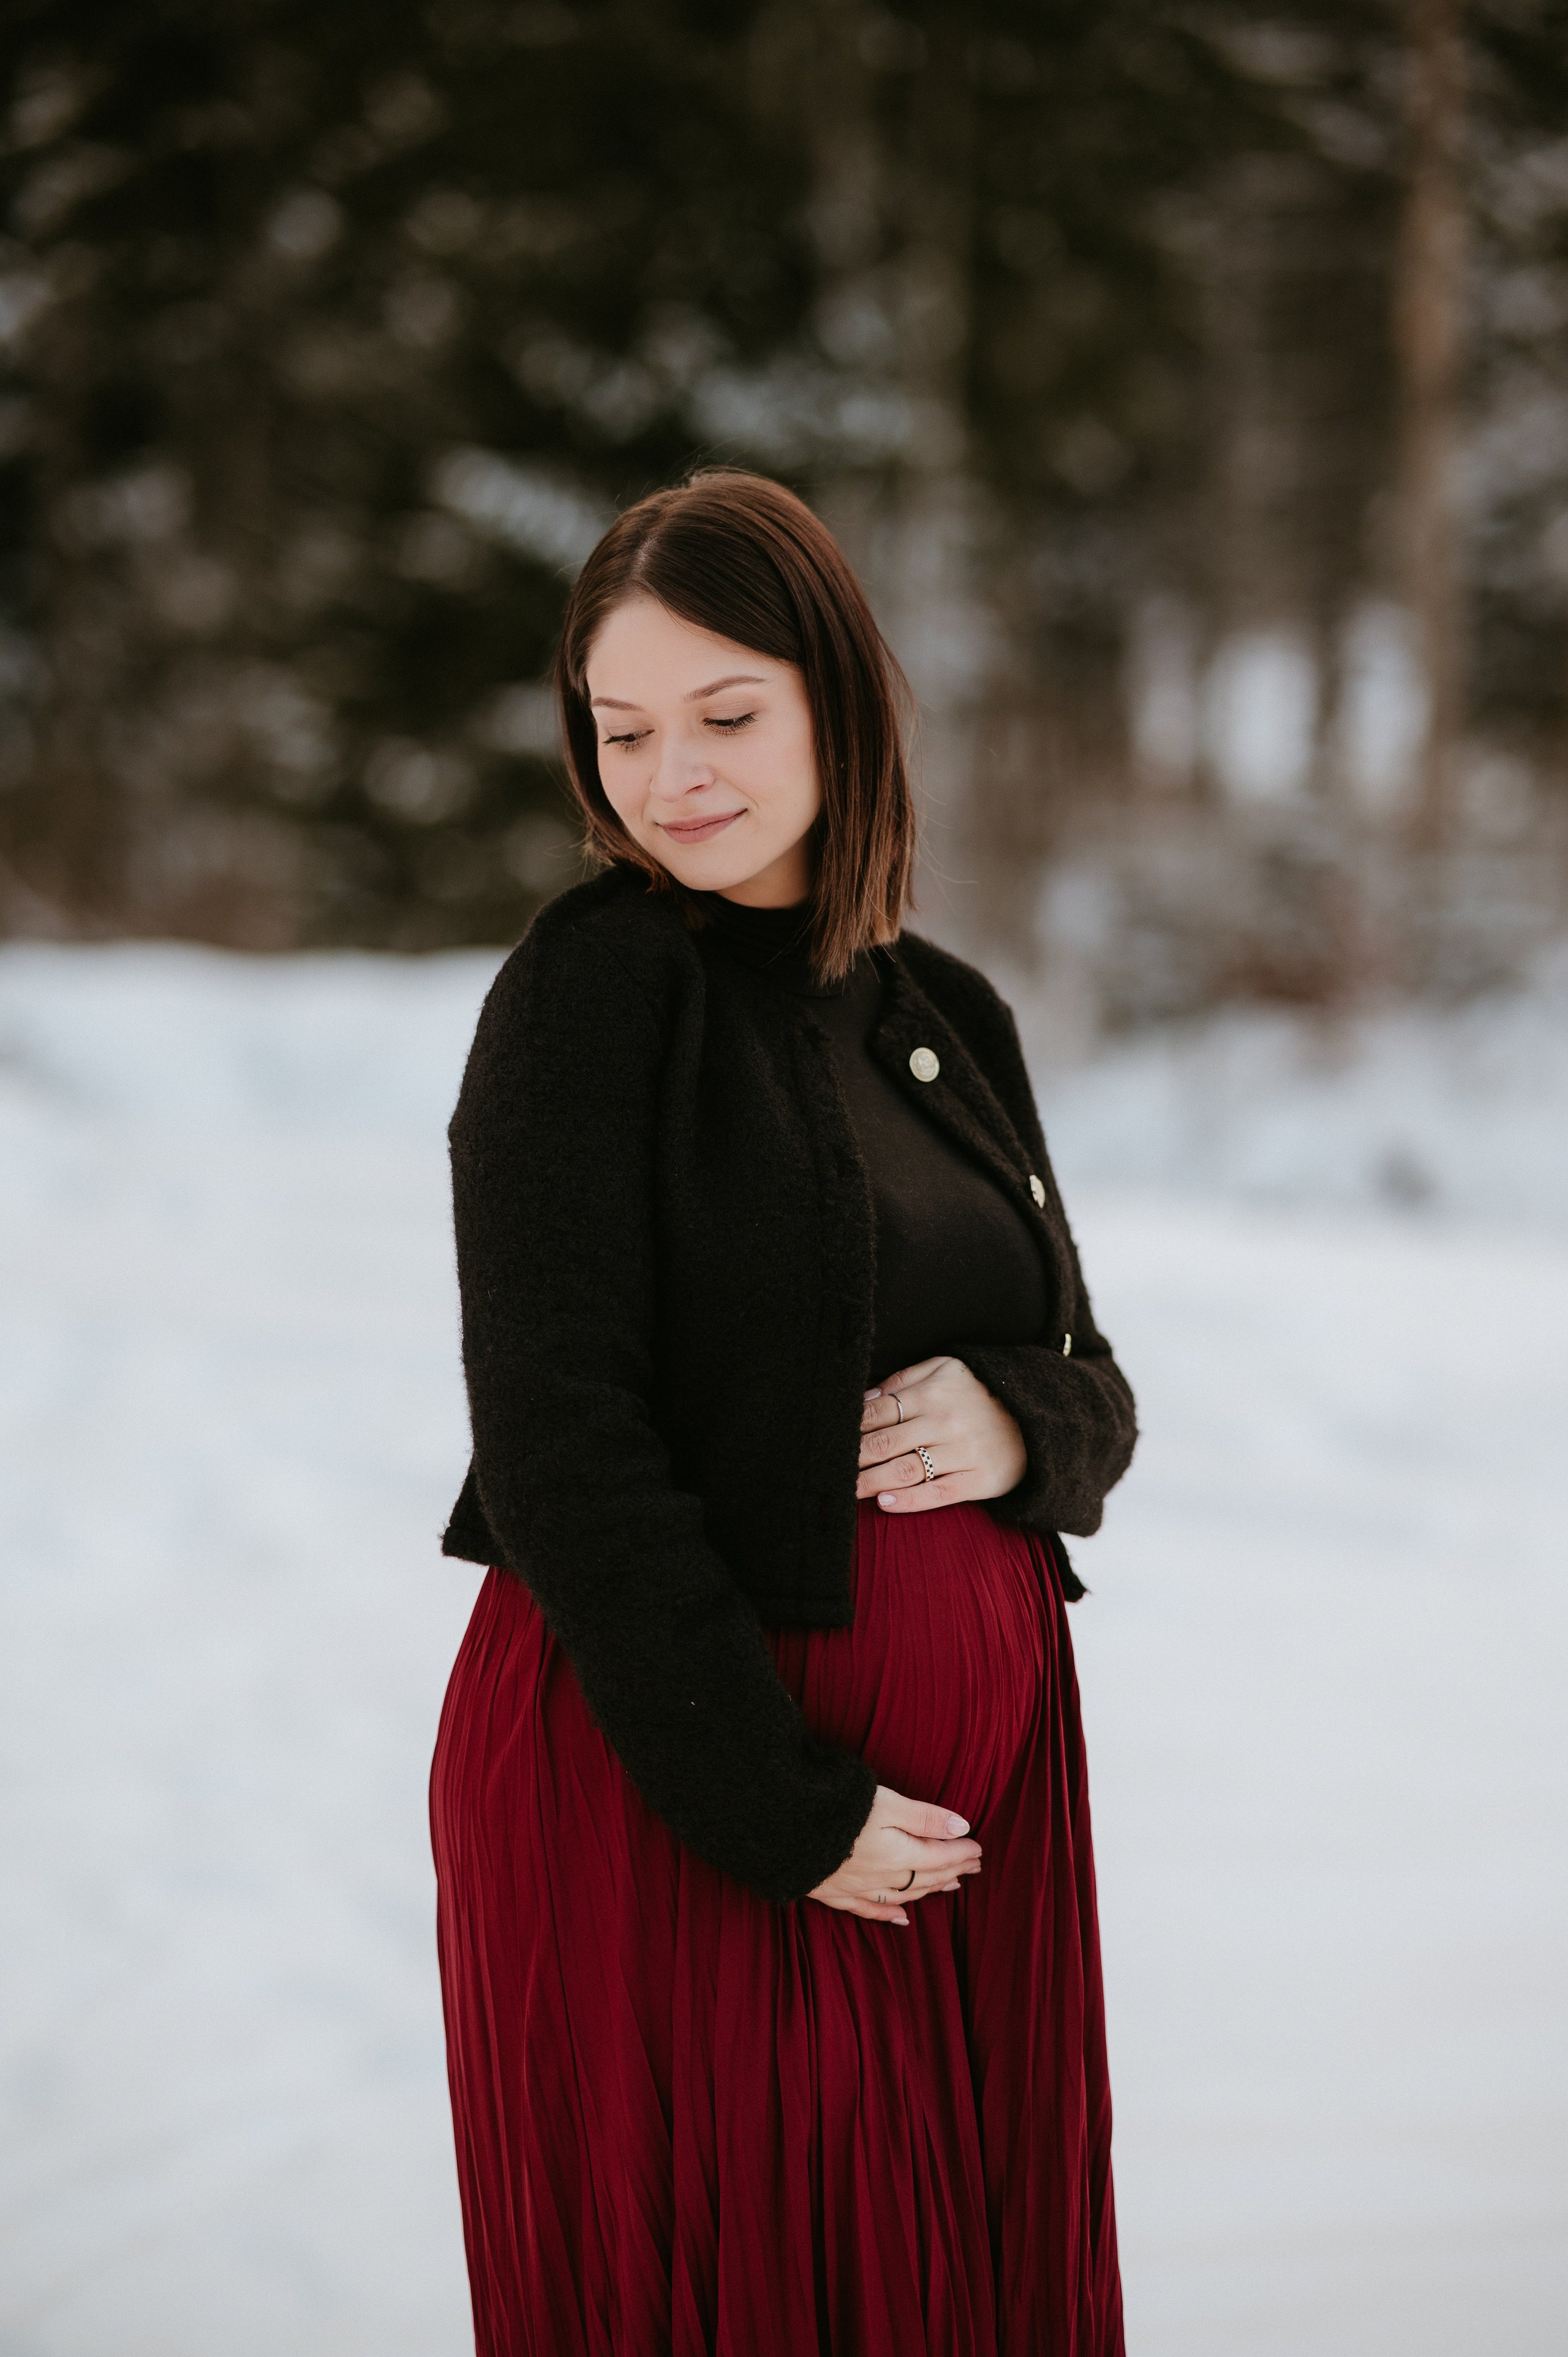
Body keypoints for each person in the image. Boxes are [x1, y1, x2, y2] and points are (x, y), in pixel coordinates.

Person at [429, 467, 1137, 2356]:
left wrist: (1015, 1422)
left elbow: (1096, 1380)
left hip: (961, 1830)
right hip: (698, 1799)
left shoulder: (946, 1011)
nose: (676, 778)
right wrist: (781, 1810)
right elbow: (560, 1438)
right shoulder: (592, 997)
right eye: (626, 729)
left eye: (727, 716)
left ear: (841, 698)